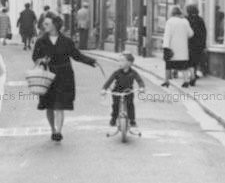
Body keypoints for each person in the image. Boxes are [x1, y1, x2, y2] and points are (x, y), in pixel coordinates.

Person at [32, 11, 99, 142]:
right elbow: (35, 57)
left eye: (47, 23)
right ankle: (52, 129)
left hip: (64, 76)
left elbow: (76, 55)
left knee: (59, 105)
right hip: (47, 76)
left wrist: (91, 61)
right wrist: (41, 61)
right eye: (44, 23)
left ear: (55, 25)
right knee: (49, 105)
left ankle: (58, 131)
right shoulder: (41, 41)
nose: (44, 25)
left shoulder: (66, 41)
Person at [101, 52, 145, 127]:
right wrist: (104, 89)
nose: (119, 62)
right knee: (115, 105)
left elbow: (139, 80)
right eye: (119, 61)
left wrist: (141, 87)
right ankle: (113, 118)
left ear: (129, 63)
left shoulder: (133, 72)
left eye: (122, 61)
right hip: (117, 91)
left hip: (128, 91)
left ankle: (132, 120)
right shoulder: (116, 72)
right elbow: (109, 81)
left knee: (130, 105)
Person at [162, 5, 194, 88]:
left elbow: (167, 35)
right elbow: (191, 34)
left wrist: (165, 46)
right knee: (184, 65)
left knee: (168, 65)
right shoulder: (185, 21)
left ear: (172, 13)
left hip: (172, 48)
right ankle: (186, 81)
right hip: (183, 48)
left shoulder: (170, 21)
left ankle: (166, 81)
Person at [186, 4, 207, 86]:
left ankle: (192, 76)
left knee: (190, 61)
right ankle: (193, 74)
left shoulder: (186, 19)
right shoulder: (200, 20)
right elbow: (204, 33)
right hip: (199, 44)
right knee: (195, 61)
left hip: (189, 43)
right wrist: (204, 44)